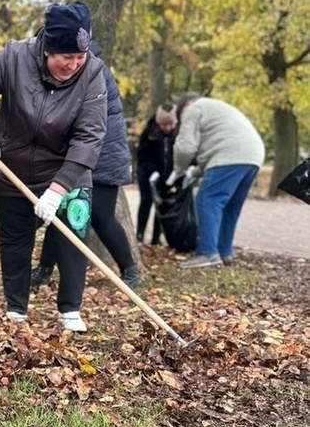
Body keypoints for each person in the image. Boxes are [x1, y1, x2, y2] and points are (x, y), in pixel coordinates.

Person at [0, 1, 107, 332]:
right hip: (14, 170)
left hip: (68, 171)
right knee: (14, 242)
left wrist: (59, 188)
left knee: (73, 239)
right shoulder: (14, 58)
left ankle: (70, 310)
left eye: (80, 57)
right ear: (48, 48)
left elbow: (90, 136)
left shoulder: (93, 73)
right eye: (67, 57)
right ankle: (16, 308)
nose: (75, 64)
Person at [30, 41, 143, 290]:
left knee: (102, 216)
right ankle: (45, 270)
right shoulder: (79, 67)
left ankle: (131, 272)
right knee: (60, 212)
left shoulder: (88, 70)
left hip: (100, 156)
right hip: (84, 156)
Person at [170, 93, 265, 268]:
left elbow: (185, 148)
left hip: (230, 155)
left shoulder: (192, 109)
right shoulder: (218, 107)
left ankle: (207, 253)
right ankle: (224, 251)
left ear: (185, 105)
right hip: (253, 155)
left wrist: (178, 169)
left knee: (207, 200)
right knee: (230, 206)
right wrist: (196, 171)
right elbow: (213, 151)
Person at [135, 104, 178, 244]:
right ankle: (140, 233)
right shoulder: (149, 134)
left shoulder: (177, 135)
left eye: (170, 124)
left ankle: (156, 237)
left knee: (162, 205)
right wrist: (152, 171)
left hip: (167, 177)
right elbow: (142, 157)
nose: (167, 128)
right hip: (148, 175)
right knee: (146, 202)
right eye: (164, 125)